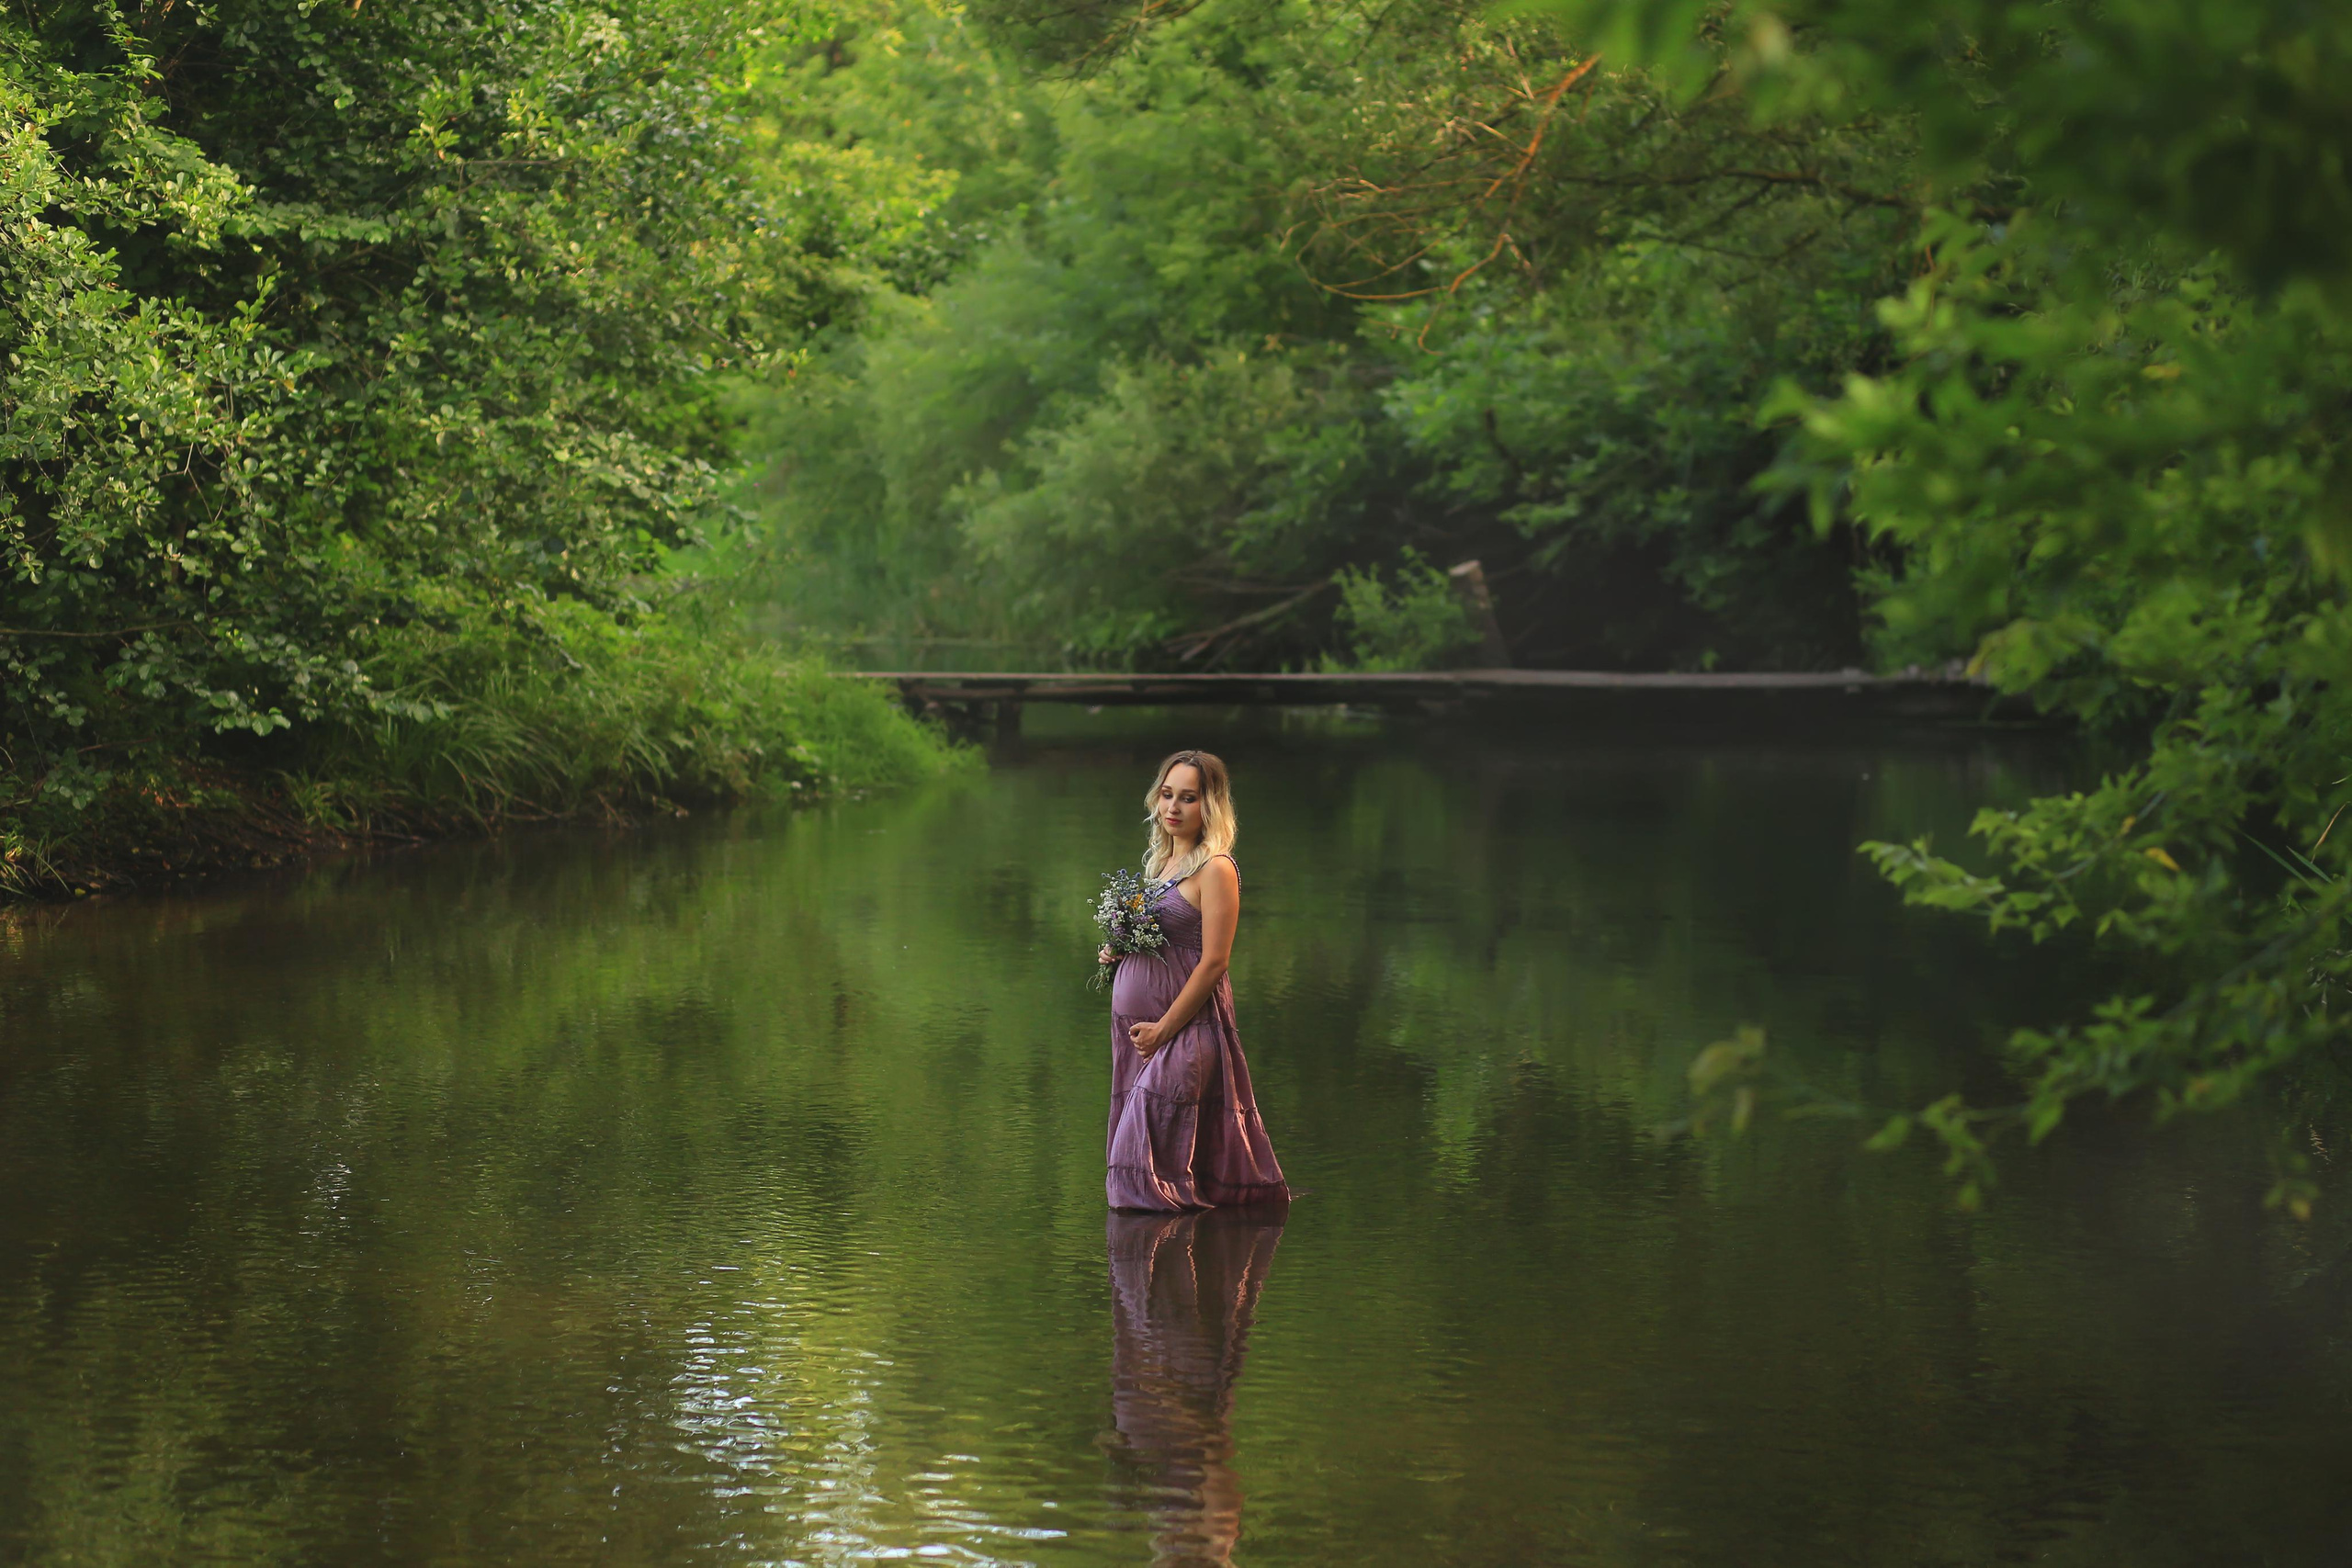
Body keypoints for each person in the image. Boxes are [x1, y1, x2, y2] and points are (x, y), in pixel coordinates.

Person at [1102, 750, 1289, 1212]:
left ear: (1210, 805)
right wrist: (1118, 951)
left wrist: (1165, 1029)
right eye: (1167, 795)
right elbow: (1164, 942)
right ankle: (1182, 1269)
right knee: (1146, 1177)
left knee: (1146, 1181)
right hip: (1140, 1036)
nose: (1173, 808)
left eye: (1188, 798)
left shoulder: (1217, 869)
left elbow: (1214, 962)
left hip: (1183, 1032)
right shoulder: (1161, 867)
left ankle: (1173, 1274)